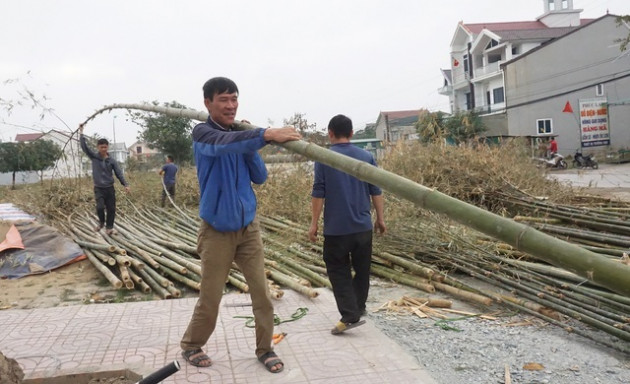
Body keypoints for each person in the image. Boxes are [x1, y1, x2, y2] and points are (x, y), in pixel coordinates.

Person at [180, 77, 301, 373]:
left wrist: (251, 144)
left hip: (248, 229)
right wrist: (265, 134)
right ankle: (192, 345)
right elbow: (221, 146)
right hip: (216, 231)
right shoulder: (203, 134)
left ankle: (265, 348)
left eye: (234, 99)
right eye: (224, 99)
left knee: (262, 293)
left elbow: (259, 177)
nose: (231, 105)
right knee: (211, 297)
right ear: (208, 103)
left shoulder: (240, 137)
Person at [308, 114, 386, 335]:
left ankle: (350, 314)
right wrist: (380, 219)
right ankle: (358, 308)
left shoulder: (324, 158)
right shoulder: (366, 156)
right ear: (351, 134)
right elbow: (376, 190)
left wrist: (314, 223)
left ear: (330, 134)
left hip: (336, 229)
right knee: (362, 269)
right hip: (363, 226)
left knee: (337, 269)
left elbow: (318, 191)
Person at [78, 124, 130, 235]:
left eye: (105, 147)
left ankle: (109, 228)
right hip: (99, 188)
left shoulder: (111, 161)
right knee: (100, 207)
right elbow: (84, 147)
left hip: (109, 188)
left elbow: (118, 173)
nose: (103, 149)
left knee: (111, 209)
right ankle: (101, 222)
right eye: (101, 147)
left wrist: (125, 184)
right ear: (98, 147)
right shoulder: (94, 157)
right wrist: (81, 132)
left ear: (107, 147)